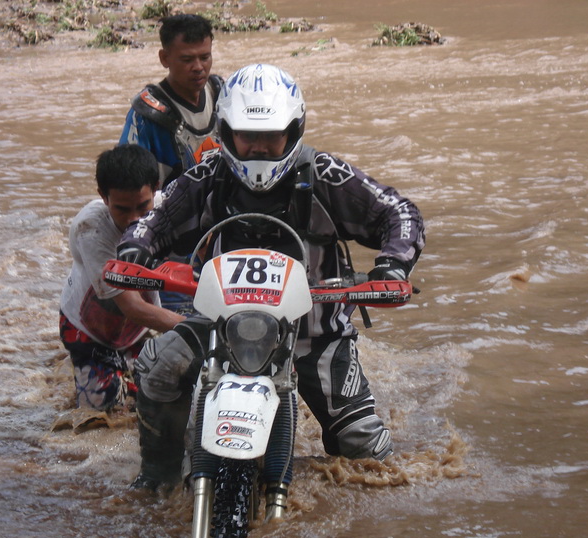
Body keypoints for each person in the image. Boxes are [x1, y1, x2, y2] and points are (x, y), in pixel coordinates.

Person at [116, 64, 426, 490]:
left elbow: (400, 213)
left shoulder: (324, 174)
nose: (259, 147)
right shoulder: (209, 176)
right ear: (226, 132)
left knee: (367, 452)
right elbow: (156, 217)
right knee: (156, 368)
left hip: (314, 334)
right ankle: (157, 480)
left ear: (293, 130)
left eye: (271, 136)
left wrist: (393, 265)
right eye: (247, 136)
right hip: (221, 328)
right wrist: (134, 250)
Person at [59, 144, 184, 414]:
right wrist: (194, 328)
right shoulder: (92, 229)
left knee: (159, 402)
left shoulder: (169, 207)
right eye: (122, 209)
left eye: (142, 206)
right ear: (103, 197)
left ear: (156, 188)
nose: (134, 220)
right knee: (104, 416)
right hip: (88, 331)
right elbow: (132, 306)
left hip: (138, 328)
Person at [119, 13, 222, 189]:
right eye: (187, 60)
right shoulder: (145, 115)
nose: (198, 67)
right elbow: (126, 183)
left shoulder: (221, 94)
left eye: (205, 57)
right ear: (164, 59)